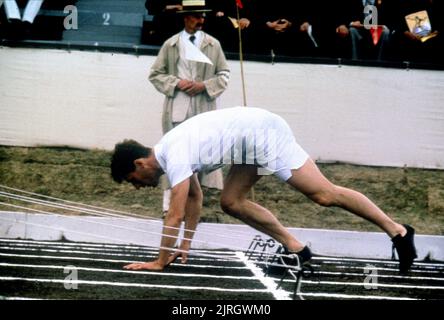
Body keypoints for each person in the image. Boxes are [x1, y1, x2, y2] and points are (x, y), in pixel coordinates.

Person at [110, 106, 418, 274]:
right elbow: (194, 196)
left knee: (323, 194)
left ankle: (398, 231)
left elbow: (175, 215)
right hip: (249, 146)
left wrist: (160, 261)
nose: (136, 186)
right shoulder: (169, 152)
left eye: (132, 179)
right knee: (230, 202)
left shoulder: (172, 154)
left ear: (139, 163)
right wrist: (185, 246)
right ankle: (296, 249)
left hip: (264, 135)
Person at [148, 0, 230, 215]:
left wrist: (205, 85)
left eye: (203, 16)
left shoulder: (213, 45)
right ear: (186, 18)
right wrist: (176, 83)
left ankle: (193, 208)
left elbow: (224, 74)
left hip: (203, 107)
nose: (200, 20)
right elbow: (155, 74)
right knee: (174, 154)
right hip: (177, 108)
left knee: (200, 154)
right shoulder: (171, 44)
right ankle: (169, 207)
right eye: (196, 16)